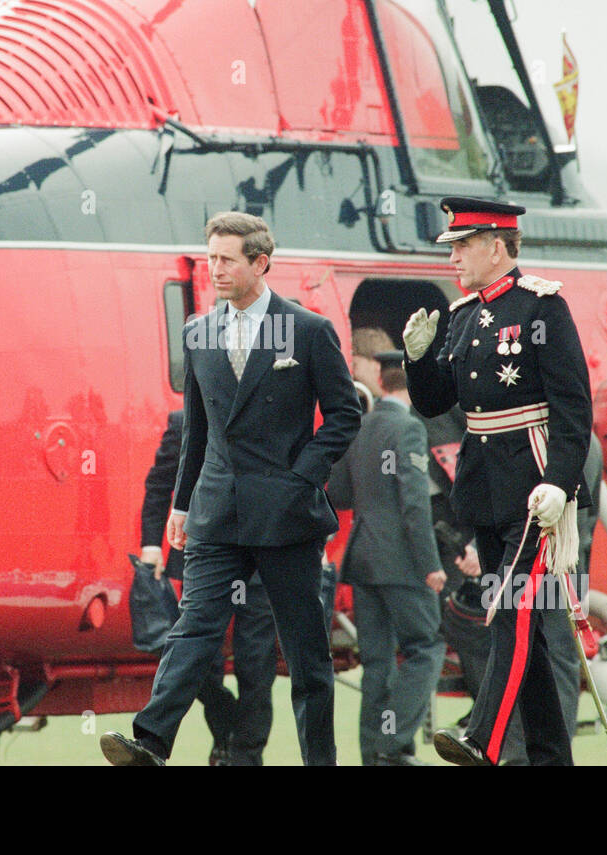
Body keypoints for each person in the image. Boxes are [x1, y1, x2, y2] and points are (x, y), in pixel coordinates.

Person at [101, 211, 361, 766]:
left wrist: (300, 479)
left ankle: (322, 760)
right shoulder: (198, 332)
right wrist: (182, 504)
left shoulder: (308, 331)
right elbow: (197, 430)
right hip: (217, 512)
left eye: (226, 259)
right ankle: (150, 741)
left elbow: (343, 416)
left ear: (260, 263)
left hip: (287, 516)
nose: (214, 269)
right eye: (211, 257)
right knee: (193, 629)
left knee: (307, 655)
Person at [403, 196, 592, 767]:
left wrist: (562, 483)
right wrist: (417, 360)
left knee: (509, 610)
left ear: (495, 245)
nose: (453, 256)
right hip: (485, 486)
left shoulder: (542, 308)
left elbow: (573, 407)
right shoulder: (462, 316)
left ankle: (482, 737)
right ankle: (549, 757)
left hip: (536, 488)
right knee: (523, 632)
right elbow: (436, 400)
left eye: (462, 245)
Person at [328, 346, 446, 765]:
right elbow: (414, 503)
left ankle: (373, 753)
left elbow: (338, 495)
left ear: (380, 381)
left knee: (377, 663)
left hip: (362, 559)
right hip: (400, 561)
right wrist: (431, 564)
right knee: (425, 648)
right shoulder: (409, 430)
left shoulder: (360, 426)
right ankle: (393, 744)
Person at [139, 410, 278, 765]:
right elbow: (159, 485)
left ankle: (245, 756)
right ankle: (226, 726)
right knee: (195, 657)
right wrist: (151, 545)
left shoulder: (273, 407)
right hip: (204, 557)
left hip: (261, 556)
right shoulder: (183, 421)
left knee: (257, 665)